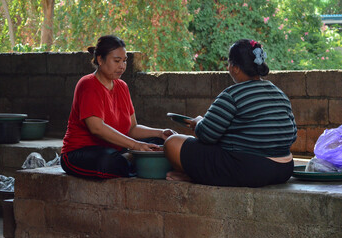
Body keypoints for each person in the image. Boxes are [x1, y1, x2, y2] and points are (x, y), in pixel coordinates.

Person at [164, 39, 297, 187]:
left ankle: (195, 176)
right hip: (284, 169)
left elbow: (207, 135)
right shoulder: (279, 93)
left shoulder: (232, 94)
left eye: (229, 63)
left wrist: (198, 122)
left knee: (172, 143)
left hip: (251, 170)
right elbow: (293, 135)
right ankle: (197, 176)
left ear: (235, 68)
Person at [61, 35, 176, 179]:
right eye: (117, 61)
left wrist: (160, 133)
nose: (122, 66)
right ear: (100, 60)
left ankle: (133, 159)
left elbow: (132, 129)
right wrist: (135, 146)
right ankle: (135, 160)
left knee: (162, 143)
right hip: (79, 153)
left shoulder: (122, 87)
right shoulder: (88, 84)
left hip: (116, 149)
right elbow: (96, 128)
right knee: (110, 161)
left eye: (124, 61)